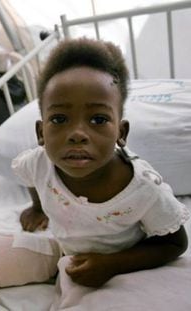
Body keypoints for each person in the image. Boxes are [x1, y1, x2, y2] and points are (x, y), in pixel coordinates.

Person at [12, 37, 189, 288]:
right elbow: (31, 177)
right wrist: (38, 207)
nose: (77, 134)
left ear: (121, 133)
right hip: (68, 257)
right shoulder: (38, 163)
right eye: (60, 119)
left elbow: (176, 244)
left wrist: (112, 264)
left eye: (97, 119)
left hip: (121, 270)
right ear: (41, 133)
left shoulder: (144, 190)